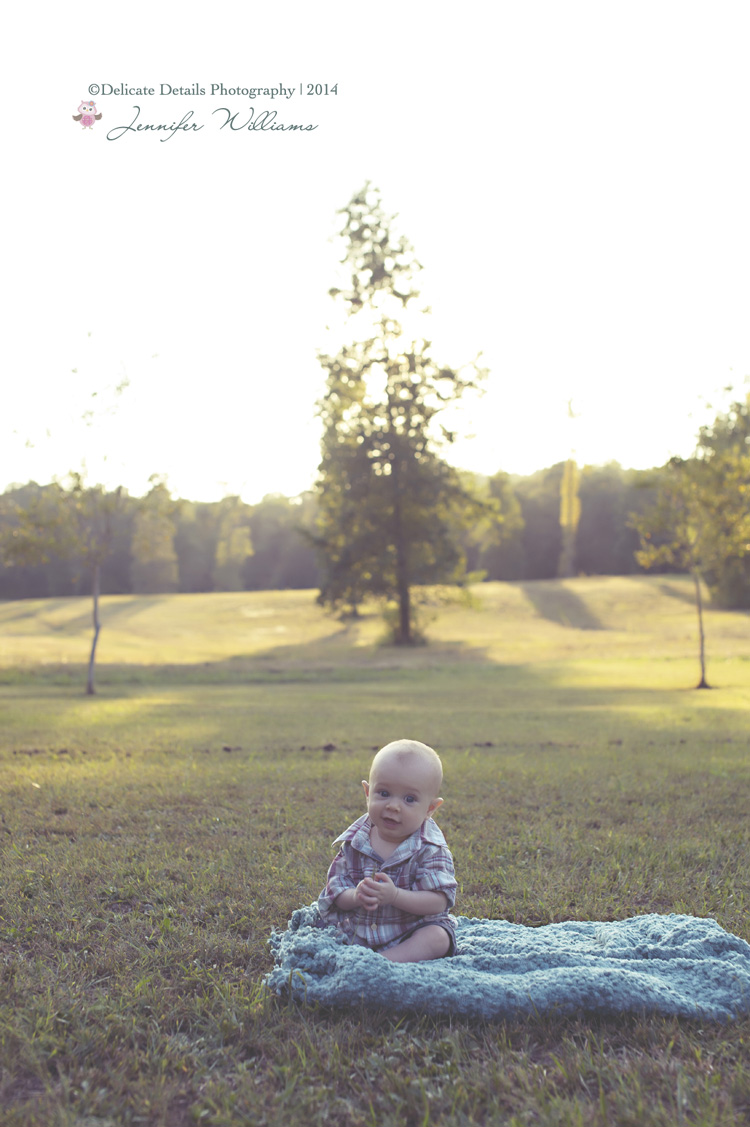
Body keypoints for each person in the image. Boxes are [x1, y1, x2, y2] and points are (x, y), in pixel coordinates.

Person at [317, 739, 457, 962]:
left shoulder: (430, 849)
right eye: (383, 793)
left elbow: (438, 901)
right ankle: (361, 957)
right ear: (367, 792)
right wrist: (356, 895)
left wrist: (395, 896)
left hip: (411, 930)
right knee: (325, 931)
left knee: (438, 937)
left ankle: (385, 962)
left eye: (409, 799)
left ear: (430, 808)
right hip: (360, 929)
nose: (393, 806)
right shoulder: (355, 842)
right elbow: (335, 890)